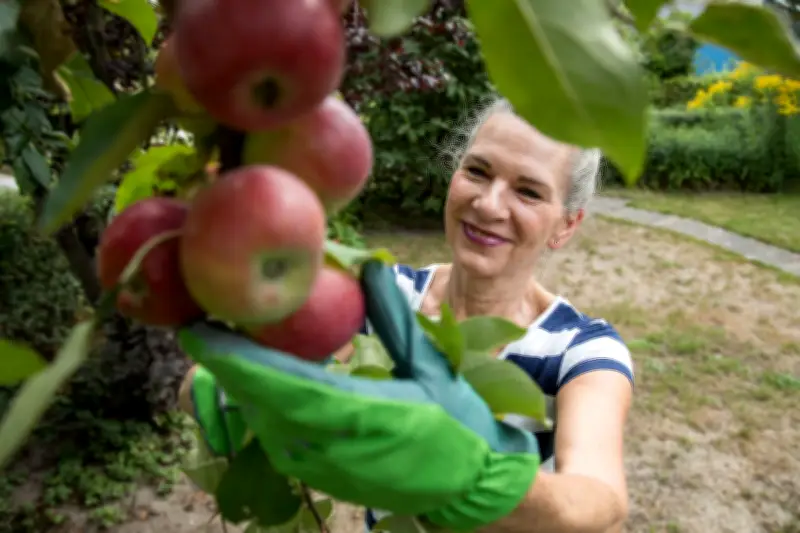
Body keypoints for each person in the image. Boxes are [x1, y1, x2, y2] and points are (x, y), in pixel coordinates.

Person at [176, 97, 635, 533]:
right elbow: (234, 371)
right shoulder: (387, 298)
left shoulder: (580, 348)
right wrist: (231, 387)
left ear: (566, 224)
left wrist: (480, 483)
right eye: (478, 171)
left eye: (529, 191)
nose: (490, 204)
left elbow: (600, 500)